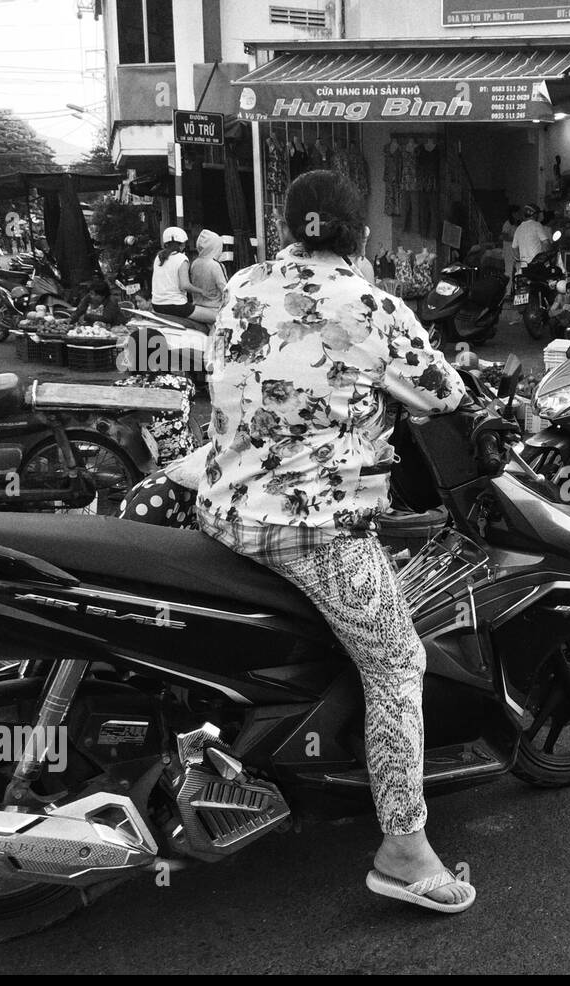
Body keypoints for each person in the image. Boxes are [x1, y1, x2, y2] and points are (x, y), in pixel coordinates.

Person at [195, 169, 474, 914]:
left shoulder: (244, 285)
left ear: (288, 226)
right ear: (361, 235)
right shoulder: (371, 306)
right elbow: (445, 394)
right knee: (397, 661)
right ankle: (404, 853)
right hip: (310, 529)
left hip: (222, 509)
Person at [151, 226, 218, 325]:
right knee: (217, 317)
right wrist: (202, 291)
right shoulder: (182, 258)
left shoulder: (159, 257)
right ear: (181, 244)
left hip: (157, 305)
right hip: (176, 306)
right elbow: (184, 285)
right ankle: (213, 340)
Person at [190, 229, 228, 315]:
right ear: (216, 247)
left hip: (197, 308)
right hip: (214, 309)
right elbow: (226, 290)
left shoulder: (194, 263)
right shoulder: (215, 265)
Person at [511, 204, 550, 271]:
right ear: (534, 215)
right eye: (538, 214)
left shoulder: (519, 228)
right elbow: (546, 243)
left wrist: (520, 260)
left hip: (524, 266)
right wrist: (545, 256)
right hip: (537, 265)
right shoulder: (537, 225)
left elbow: (514, 248)